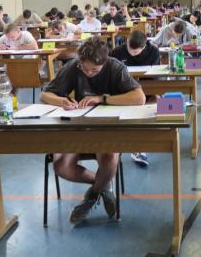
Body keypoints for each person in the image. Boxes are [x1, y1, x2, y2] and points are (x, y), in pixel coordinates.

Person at [40, 38, 146, 224]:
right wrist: (61, 101)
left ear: (104, 63)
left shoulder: (115, 67)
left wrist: (102, 99)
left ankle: (92, 195)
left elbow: (139, 97)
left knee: (108, 160)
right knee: (61, 166)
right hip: (78, 126)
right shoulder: (74, 66)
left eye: (94, 70)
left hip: (106, 127)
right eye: (85, 69)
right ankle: (102, 187)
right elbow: (45, 94)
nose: (88, 73)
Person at [110, 29, 160, 168]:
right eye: (129, 49)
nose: (131, 53)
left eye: (135, 51)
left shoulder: (153, 52)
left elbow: (155, 77)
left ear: (144, 47)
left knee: (153, 104)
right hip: (124, 91)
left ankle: (140, 147)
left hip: (147, 90)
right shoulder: (117, 52)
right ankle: (134, 146)